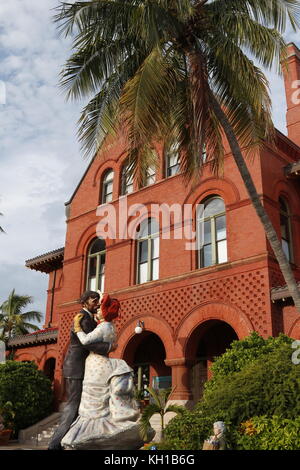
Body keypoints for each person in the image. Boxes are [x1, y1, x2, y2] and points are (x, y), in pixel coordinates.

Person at [61, 293, 154, 450]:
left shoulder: (102, 327)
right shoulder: (110, 326)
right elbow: (108, 344)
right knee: (99, 401)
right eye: (95, 303)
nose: (97, 308)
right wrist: (111, 347)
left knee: (92, 402)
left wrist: (77, 328)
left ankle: (86, 437)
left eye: (100, 307)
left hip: (95, 364)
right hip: (98, 363)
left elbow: (85, 341)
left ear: (104, 313)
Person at [48, 290, 113, 451]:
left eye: (98, 300)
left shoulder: (89, 317)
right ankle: (54, 445)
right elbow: (87, 342)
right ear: (84, 302)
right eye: (93, 300)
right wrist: (109, 346)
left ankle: (68, 442)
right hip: (75, 368)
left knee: (79, 408)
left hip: (81, 367)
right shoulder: (82, 318)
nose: (97, 303)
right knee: (72, 407)